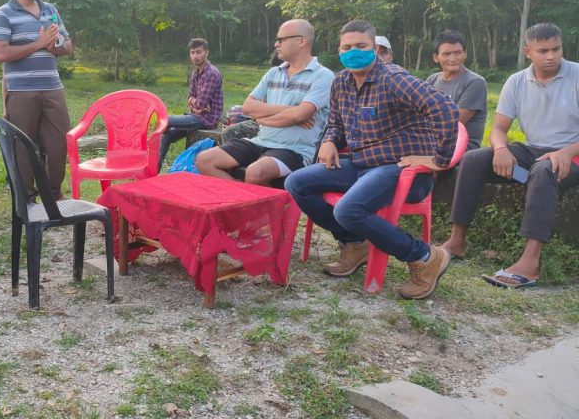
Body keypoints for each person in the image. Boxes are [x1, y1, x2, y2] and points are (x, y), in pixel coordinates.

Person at [285, 20, 459, 300]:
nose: (354, 52)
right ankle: (355, 243)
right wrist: (330, 140)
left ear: (375, 49)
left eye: (361, 46)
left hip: (400, 171)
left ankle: (426, 257)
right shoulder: (341, 81)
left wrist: (439, 160)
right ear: (339, 50)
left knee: (347, 211)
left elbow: (445, 108)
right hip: (362, 165)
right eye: (347, 47)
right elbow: (336, 123)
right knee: (297, 182)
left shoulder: (393, 78)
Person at [442, 23, 579, 289]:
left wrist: (565, 151)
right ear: (528, 51)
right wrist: (502, 149)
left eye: (556, 49)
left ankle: (530, 262)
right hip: (531, 150)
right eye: (543, 50)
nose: (551, 56)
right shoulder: (517, 81)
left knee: (543, 170)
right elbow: (499, 128)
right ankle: (457, 240)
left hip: (572, 155)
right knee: (474, 160)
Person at [196, 20, 333, 185]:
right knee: (204, 160)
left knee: (255, 172)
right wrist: (289, 110)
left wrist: (262, 118)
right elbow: (248, 107)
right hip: (260, 141)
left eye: (281, 39)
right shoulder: (274, 73)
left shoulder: (323, 76)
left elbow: (298, 116)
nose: (276, 44)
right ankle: (244, 202)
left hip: (294, 149)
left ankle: (249, 205)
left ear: (301, 41)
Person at [0, 0, 72, 199]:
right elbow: (1, 53)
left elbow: (68, 44)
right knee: (23, 147)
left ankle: (53, 195)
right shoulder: (3, 13)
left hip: (53, 88)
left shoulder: (51, 10)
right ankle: (26, 198)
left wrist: (56, 48)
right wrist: (39, 44)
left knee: (59, 143)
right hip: (22, 91)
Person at [156, 38, 223, 171]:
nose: (195, 56)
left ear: (206, 53)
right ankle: (153, 171)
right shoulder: (196, 74)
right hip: (196, 116)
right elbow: (192, 99)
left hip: (207, 120)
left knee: (165, 120)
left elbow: (200, 103)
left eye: (199, 52)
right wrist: (195, 103)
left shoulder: (211, 74)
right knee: (166, 135)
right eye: (192, 53)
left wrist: (197, 103)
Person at [425, 30, 487, 150]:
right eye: (446, 54)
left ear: (465, 54)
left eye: (457, 53)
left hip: (461, 147)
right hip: (432, 142)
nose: (453, 59)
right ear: (436, 57)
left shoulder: (475, 82)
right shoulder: (432, 80)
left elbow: (454, 123)